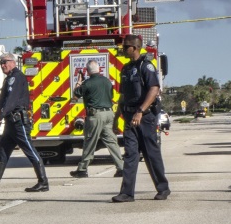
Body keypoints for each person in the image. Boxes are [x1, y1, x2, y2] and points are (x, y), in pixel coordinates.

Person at [0, 53, 48, 193]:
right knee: (2, 151)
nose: (2, 65)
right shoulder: (10, 78)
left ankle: (43, 182)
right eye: (0, 63)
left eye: (4, 62)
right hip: (11, 123)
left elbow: (12, 100)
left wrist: (0, 117)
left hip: (18, 121)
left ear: (13, 62)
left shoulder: (16, 77)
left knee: (30, 151)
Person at [112, 35, 170, 203]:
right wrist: (117, 118)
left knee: (151, 153)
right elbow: (122, 96)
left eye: (125, 47)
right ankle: (127, 193)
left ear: (134, 48)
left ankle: (163, 188)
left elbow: (154, 90)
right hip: (129, 117)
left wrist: (140, 111)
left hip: (145, 117)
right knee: (130, 154)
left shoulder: (147, 67)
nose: (123, 50)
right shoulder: (126, 69)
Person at [71, 60, 124, 178]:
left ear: (87, 71)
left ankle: (82, 169)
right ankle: (121, 168)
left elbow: (75, 96)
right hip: (109, 113)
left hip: (95, 115)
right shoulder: (107, 81)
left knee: (90, 142)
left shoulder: (87, 83)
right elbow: (111, 96)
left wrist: (79, 81)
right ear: (99, 69)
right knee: (112, 142)